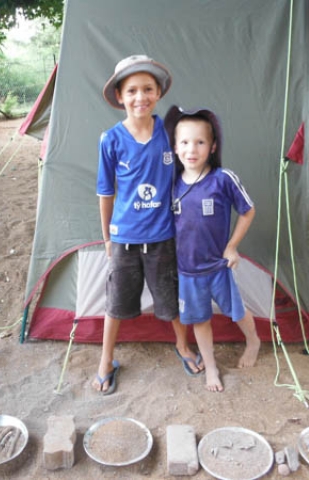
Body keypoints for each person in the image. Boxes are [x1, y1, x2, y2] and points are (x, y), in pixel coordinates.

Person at [92, 55, 204, 395]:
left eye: (147, 89)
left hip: (163, 237)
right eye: (132, 91)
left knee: (170, 299)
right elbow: (105, 192)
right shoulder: (110, 140)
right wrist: (107, 237)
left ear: (158, 94)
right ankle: (105, 360)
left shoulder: (171, 134)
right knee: (115, 303)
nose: (140, 97)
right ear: (120, 96)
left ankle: (183, 347)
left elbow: (191, 170)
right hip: (124, 239)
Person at [164, 106, 261, 392]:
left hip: (218, 267)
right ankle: (212, 368)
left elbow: (248, 211)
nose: (191, 149)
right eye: (184, 142)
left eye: (200, 142)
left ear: (213, 146)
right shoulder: (171, 185)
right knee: (199, 320)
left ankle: (253, 341)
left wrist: (232, 246)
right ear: (175, 146)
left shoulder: (223, 178)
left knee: (237, 310)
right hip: (187, 272)